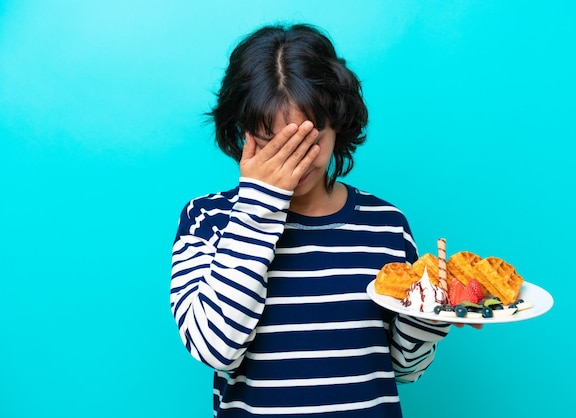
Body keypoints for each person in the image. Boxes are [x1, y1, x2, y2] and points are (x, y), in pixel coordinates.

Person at [170, 23, 452, 417]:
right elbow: (216, 349)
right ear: (244, 132)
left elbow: (405, 368)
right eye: (272, 143)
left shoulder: (387, 225)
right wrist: (259, 207)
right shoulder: (207, 219)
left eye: (308, 139)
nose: (293, 160)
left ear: (338, 123)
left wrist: (428, 320)